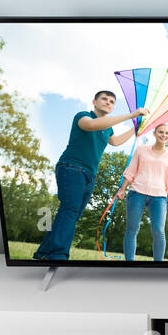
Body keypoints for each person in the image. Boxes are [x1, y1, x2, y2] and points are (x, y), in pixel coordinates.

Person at [32, 90, 147, 261]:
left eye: (111, 101)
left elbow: (115, 142)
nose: (108, 103)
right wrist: (131, 115)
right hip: (71, 167)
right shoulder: (83, 116)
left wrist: (135, 128)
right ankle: (58, 255)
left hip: (89, 174)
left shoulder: (108, 128)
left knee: (72, 214)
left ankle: (43, 254)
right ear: (94, 102)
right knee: (69, 210)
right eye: (104, 99)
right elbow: (92, 126)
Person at [116, 122, 168, 261]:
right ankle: (130, 263)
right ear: (154, 133)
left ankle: (158, 266)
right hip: (137, 192)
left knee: (159, 231)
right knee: (132, 228)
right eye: (161, 132)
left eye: (167, 133)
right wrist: (122, 189)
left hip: (160, 197)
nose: (164, 135)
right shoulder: (141, 150)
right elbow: (131, 171)